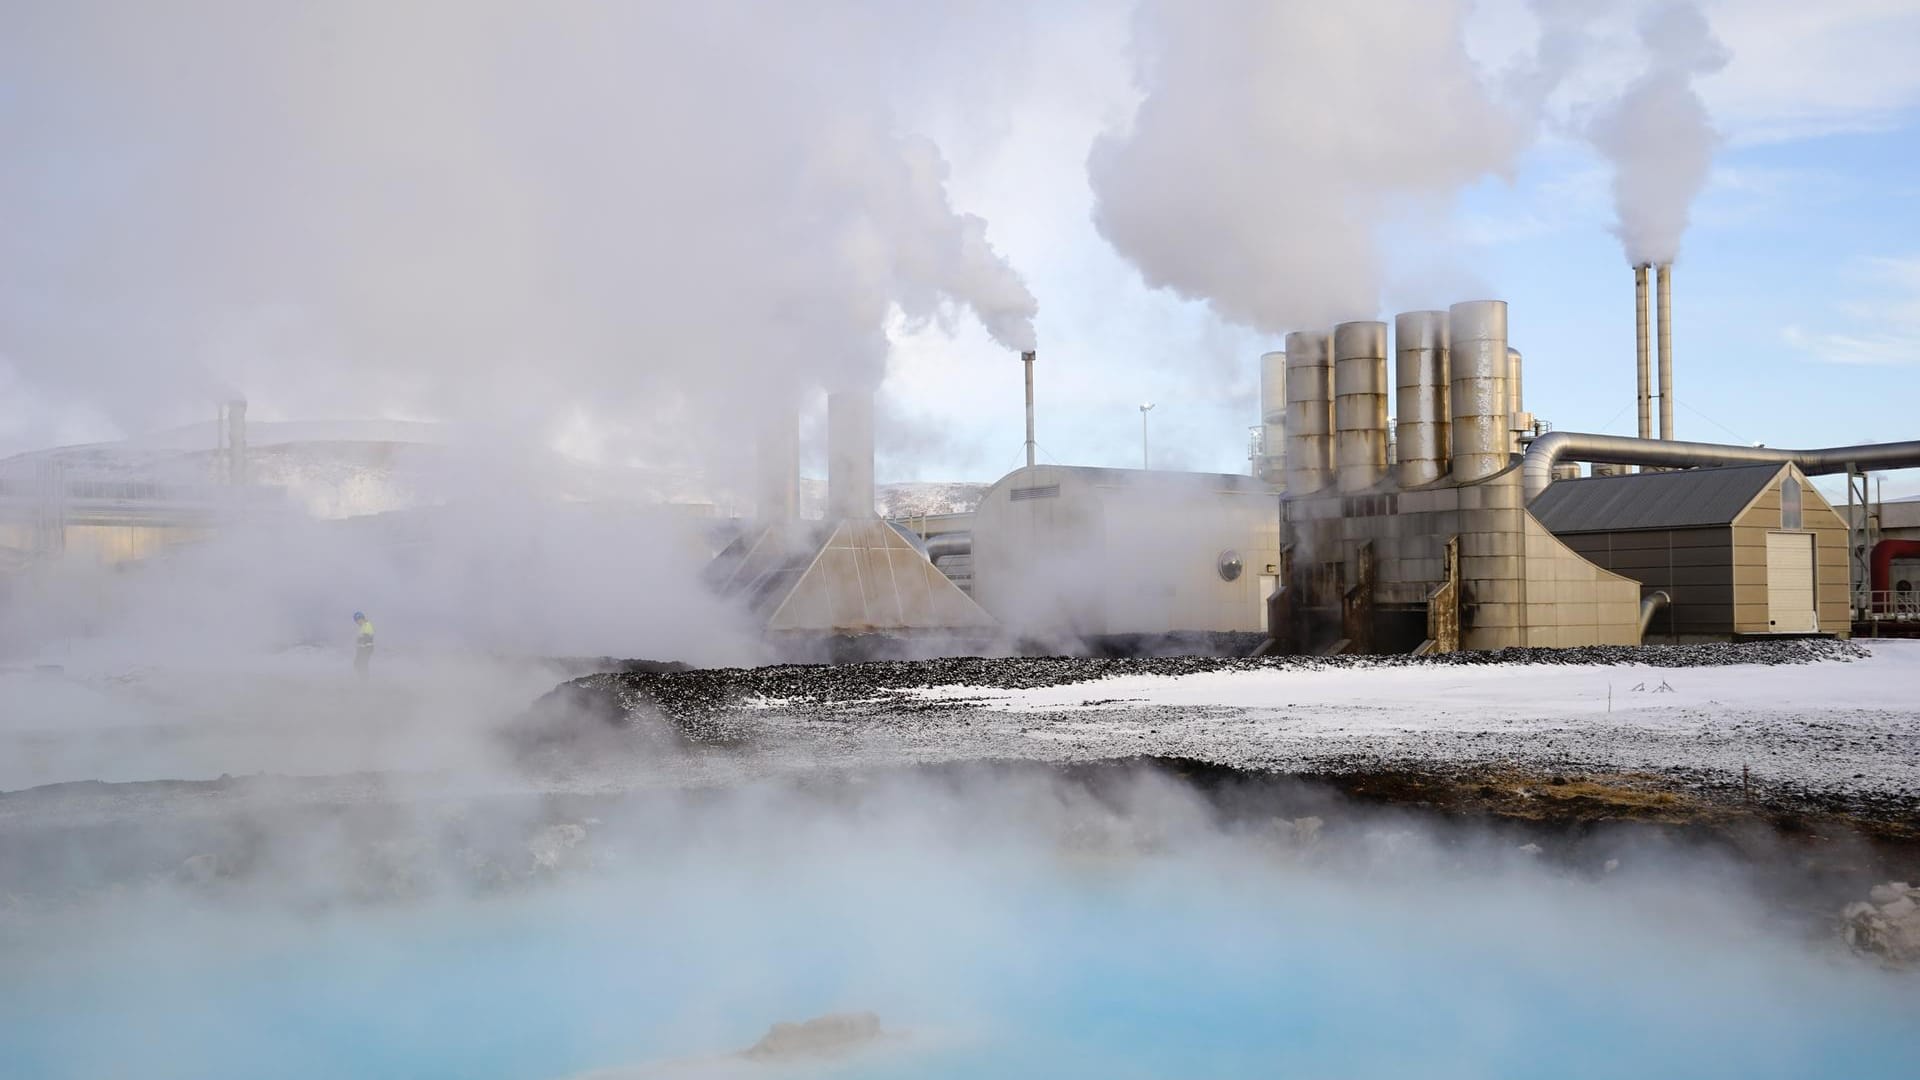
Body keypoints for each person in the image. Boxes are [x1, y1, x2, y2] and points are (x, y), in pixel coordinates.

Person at [353, 611, 375, 680]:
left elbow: (367, 637)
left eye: (358, 620)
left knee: (362, 665)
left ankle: (364, 681)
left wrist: (360, 639)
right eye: (356, 621)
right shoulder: (363, 626)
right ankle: (363, 680)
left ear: (361, 618)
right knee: (359, 664)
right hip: (363, 649)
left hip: (366, 649)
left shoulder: (367, 625)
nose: (357, 622)